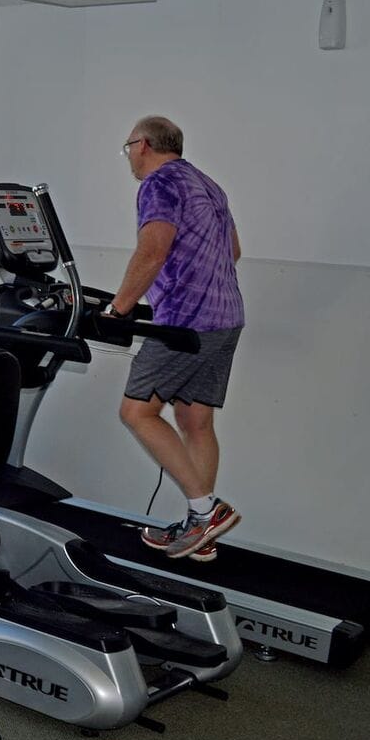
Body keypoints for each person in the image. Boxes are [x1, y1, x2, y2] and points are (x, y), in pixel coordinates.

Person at [106, 116, 243, 561]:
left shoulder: (158, 183)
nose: (128, 155)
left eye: (128, 146)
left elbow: (153, 249)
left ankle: (206, 512)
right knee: (195, 422)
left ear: (142, 144)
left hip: (185, 323)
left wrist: (117, 309)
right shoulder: (208, 184)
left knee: (137, 412)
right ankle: (199, 532)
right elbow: (233, 251)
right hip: (226, 318)